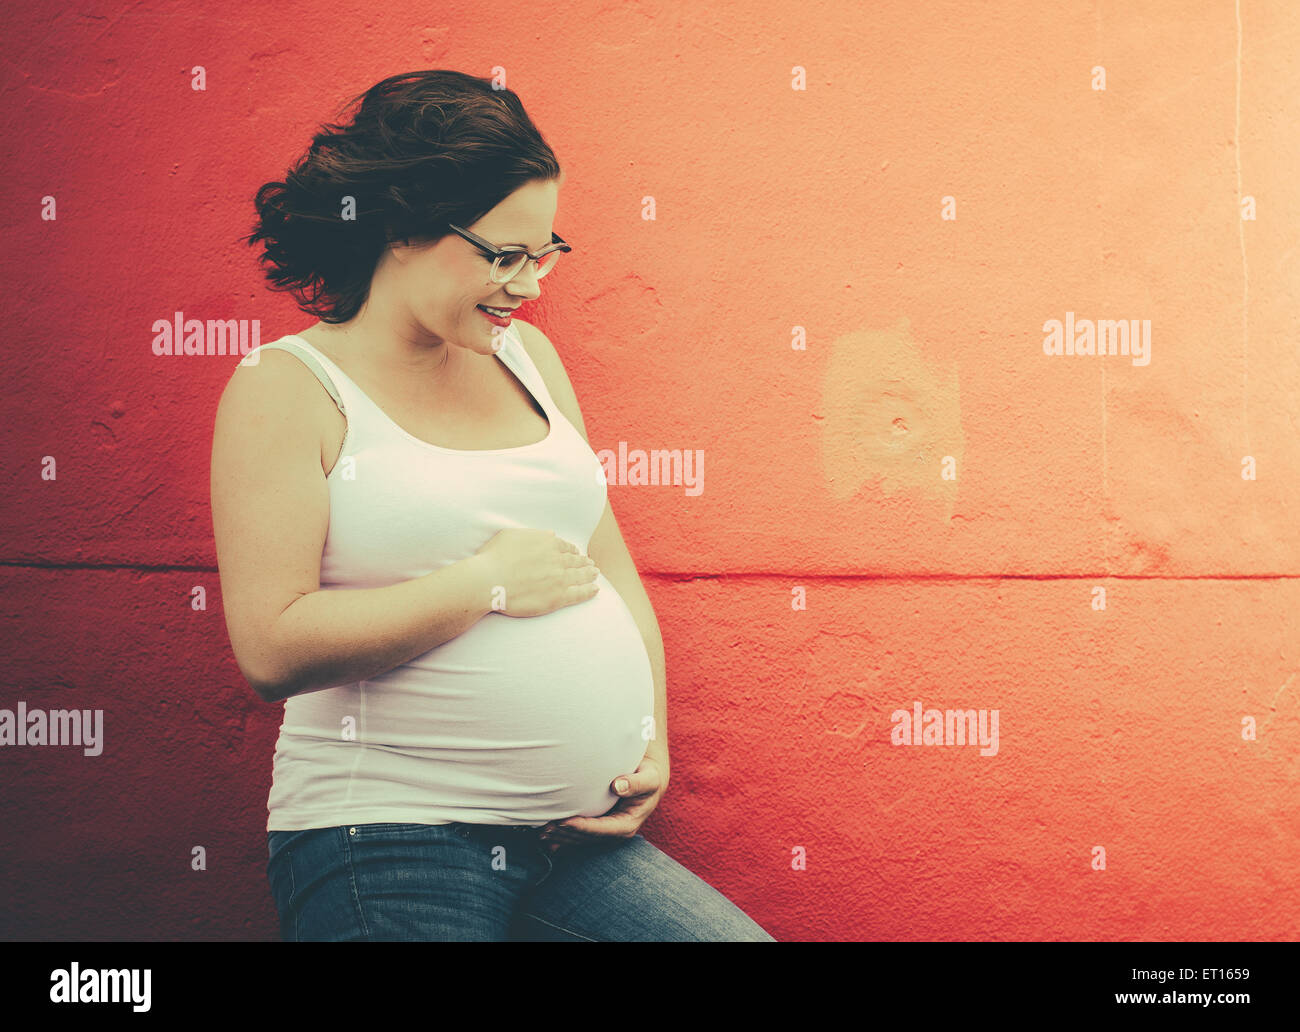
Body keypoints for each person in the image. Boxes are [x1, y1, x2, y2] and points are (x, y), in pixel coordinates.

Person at [211, 69, 774, 941]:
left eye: (545, 252)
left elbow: (608, 567)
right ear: (402, 225)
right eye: (503, 255)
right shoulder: (287, 388)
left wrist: (647, 736)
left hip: (570, 840)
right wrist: (484, 584)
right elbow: (270, 647)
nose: (530, 284)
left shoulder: (532, 361)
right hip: (387, 834)